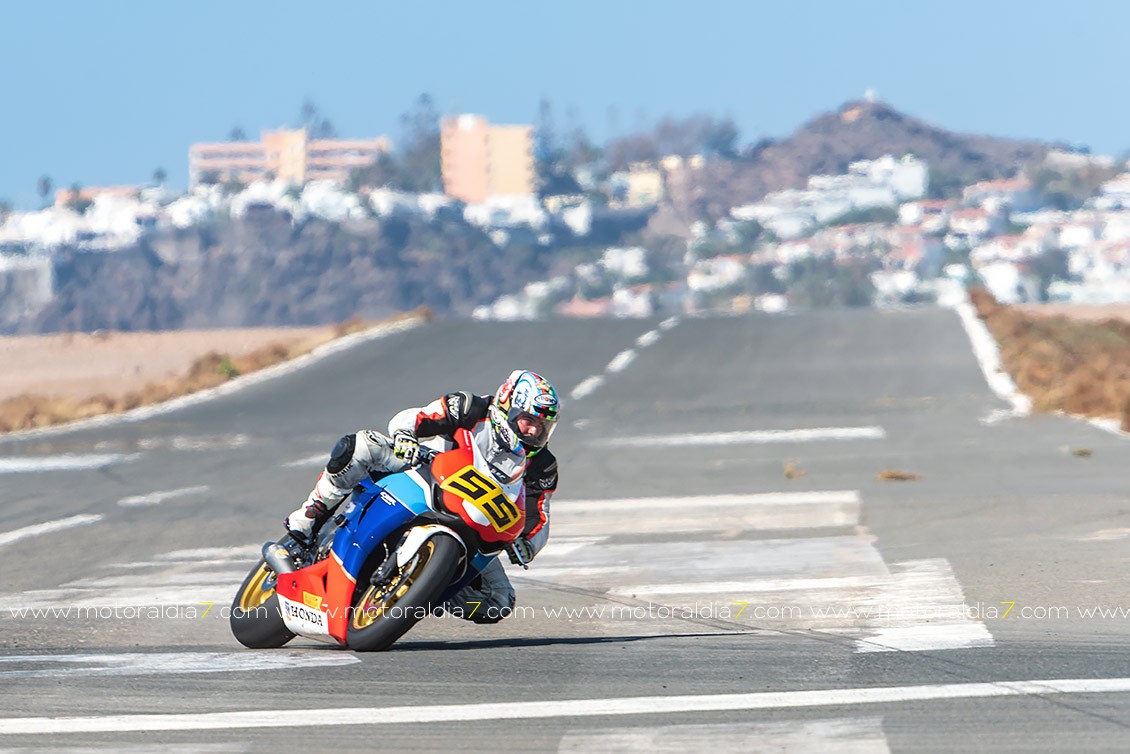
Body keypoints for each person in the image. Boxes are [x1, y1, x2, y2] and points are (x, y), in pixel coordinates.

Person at [284, 369, 560, 624]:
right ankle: (310, 518)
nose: (534, 431)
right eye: (529, 420)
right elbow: (415, 417)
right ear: (508, 407)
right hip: (423, 473)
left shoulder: (543, 465)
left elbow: (539, 515)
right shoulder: (470, 408)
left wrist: (527, 543)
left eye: (543, 425)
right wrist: (406, 436)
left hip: (474, 523)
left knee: (498, 602)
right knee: (361, 447)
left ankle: (426, 590)